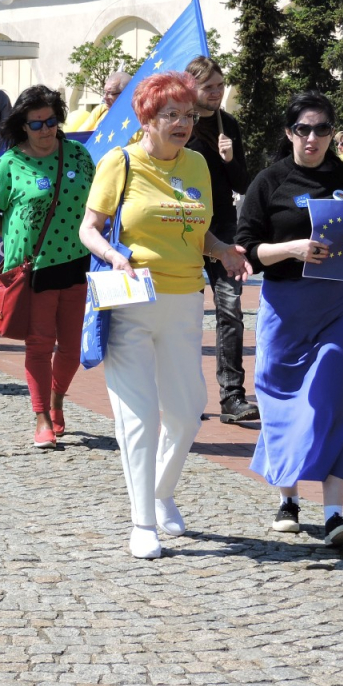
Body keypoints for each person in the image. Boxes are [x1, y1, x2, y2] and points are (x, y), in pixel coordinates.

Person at [79, 72, 251, 559]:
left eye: (188, 115)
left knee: (186, 409)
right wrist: (113, 255)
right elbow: (88, 229)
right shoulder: (120, 162)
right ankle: (142, 521)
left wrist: (225, 252)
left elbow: (202, 236)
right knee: (137, 417)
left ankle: (160, 490)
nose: (182, 124)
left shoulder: (197, 165)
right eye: (170, 115)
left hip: (183, 301)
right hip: (131, 298)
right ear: (147, 119)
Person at [235, 92, 343, 547]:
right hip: (285, 305)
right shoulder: (269, 181)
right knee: (279, 401)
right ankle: (288, 501)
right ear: (289, 133)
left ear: (333, 133)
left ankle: (334, 513)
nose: (312, 138)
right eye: (303, 129)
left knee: (333, 400)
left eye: (320, 129)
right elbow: (247, 251)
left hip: (339, 305)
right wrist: (292, 249)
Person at [0, 85, 96, 448]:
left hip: (77, 263)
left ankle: (59, 399)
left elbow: (97, 205)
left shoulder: (77, 155)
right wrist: (16, 239)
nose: (46, 130)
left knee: (72, 350)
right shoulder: (10, 164)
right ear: (23, 126)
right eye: (37, 124)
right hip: (35, 269)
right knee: (40, 346)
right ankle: (42, 416)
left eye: (52, 121)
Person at [186, 56, 257, 424]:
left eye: (220, 86)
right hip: (182, 226)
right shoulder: (179, 120)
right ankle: (186, 395)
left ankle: (232, 397)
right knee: (183, 313)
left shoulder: (228, 124)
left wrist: (230, 160)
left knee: (230, 310)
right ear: (192, 87)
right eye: (208, 87)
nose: (216, 93)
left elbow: (243, 183)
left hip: (224, 227)